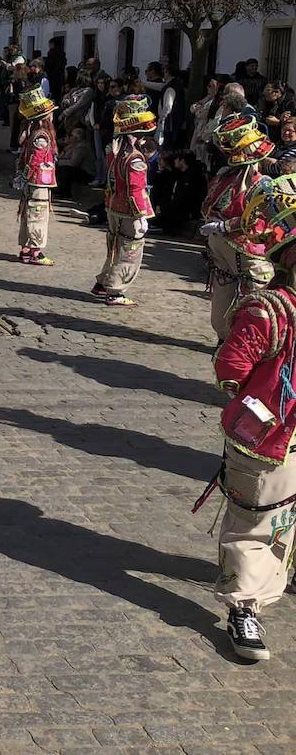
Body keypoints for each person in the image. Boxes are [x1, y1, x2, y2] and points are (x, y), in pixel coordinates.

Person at [201, 173, 296, 660]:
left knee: (286, 518)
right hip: (268, 437)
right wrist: (258, 409)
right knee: (253, 519)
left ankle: (281, 571)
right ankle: (243, 606)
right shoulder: (267, 311)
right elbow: (231, 367)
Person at [201, 114, 275, 342]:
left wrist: (218, 225)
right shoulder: (260, 183)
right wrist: (225, 226)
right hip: (246, 249)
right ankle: (245, 344)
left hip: (219, 242)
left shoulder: (223, 176)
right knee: (256, 300)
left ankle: (225, 338)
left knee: (224, 290)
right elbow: (258, 222)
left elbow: (207, 207)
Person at [92, 97, 156, 308]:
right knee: (129, 251)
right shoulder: (135, 158)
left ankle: (103, 282)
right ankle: (115, 291)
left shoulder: (117, 151)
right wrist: (141, 215)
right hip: (129, 211)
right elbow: (135, 189)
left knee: (115, 248)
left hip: (113, 206)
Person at [15, 89, 58, 266]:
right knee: (37, 216)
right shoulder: (42, 135)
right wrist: (26, 176)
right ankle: (35, 252)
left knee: (28, 214)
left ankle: (26, 250)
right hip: (38, 183)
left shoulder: (34, 133)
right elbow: (35, 159)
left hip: (33, 182)